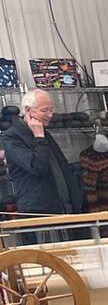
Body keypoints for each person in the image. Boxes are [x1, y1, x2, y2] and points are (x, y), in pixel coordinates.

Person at [2, 89, 83, 217]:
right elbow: (39, 167)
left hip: (66, 209)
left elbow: (63, 169)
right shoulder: (12, 137)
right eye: (44, 110)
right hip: (39, 213)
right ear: (28, 110)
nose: (50, 115)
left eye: (51, 109)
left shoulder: (45, 134)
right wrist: (39, 137)